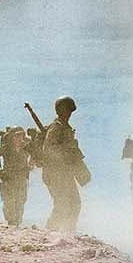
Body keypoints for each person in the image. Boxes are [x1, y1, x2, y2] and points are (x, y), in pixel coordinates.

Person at [36, 96, 92, 232]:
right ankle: (50, 232)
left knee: (74, 203)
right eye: (68, 110)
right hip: (55, 172)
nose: (70, 113)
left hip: (64, 173)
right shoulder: (56, 127)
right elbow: (48, 149)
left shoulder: (65, 127)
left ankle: (69, 231)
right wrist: (66, 154)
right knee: (62, 204)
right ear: (62, 110)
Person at [0, 127, 32, 226]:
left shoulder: (26, 147)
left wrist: (31, 164)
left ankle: (17, 222)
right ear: (11, 137)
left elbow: (35, 154)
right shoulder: (6, 148)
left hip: (21, 178)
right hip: (8, 179)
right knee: (9, 201)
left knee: (21, 201)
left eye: (21, 135)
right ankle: (11, 222)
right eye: (16, 136)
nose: (19, 138)